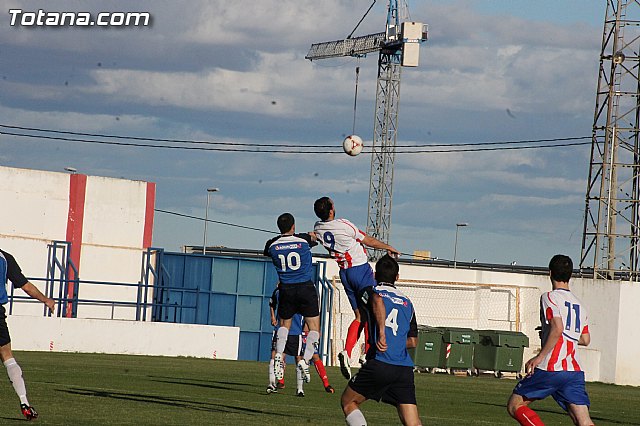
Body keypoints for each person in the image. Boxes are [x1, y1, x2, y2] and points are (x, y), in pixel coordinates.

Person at [313, 196, 399, 380]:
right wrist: (387, 247)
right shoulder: (343, 224)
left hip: (345, 274)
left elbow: (316, 236)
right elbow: (367, 240)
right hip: (361, 271)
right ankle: (366, 355)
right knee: (376, 311)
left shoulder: (318, 228)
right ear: (330, 210)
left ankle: (347, 350)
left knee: (360, 316)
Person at [507, 255, 593, 426]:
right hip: (574, 371)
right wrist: (552, 334)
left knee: (515, 405)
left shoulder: (550, 297)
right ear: (570, 276)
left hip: (551, 367)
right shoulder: (579, 305)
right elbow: (584, 339)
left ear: (550, 273)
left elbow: (557, 327)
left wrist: (539, 356)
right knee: (583, 420)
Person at [341, 254, 421, 426]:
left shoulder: (371, 292)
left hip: (381, 362)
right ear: (397, 277)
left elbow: (377, 300)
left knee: (348, 402)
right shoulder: (408, 303)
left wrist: (382, 334)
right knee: (413, 423)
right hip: (404, 369)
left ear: (375, 276)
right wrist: (395, 342)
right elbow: (413, 341)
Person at [264, 213, 321, 385]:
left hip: (286, 288)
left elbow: (267, 252)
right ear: (293, 226)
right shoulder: (303, 240)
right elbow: (315, 238)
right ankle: (305, 360)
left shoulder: (271, 244)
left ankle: (278, 359)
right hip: (305, 286)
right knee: (314, 328)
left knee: (284, 325)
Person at [0, 248, 55, 421]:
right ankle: (24, 403)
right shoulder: (5, 258)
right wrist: (45, 299)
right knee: (7, 355)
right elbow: (26, 286)